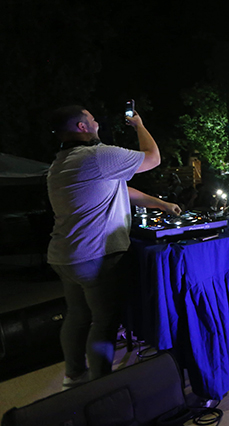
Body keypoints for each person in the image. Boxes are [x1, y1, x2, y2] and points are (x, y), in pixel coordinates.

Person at [47, 105, 180, 389]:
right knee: (104, 322)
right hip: (94, 255)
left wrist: (160, 203)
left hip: (64, 256)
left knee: (77, 315)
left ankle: (73, 377)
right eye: (92, 120)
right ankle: (101, 387)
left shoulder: (61, 162)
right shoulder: (96, 155)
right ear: (82, 127)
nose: (97, 123)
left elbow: (118, 188)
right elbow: (153, 158)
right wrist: (139, 126)